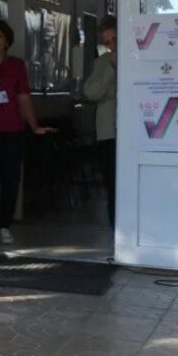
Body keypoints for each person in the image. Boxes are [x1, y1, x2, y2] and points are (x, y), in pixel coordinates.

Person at [0, 19, 54, 245]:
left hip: (12, 130)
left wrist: (34, 126)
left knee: (10, 180)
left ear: (7, 40)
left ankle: (4, 225)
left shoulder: (16, 65)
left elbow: (24, 98)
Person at [83, 18, 117, 227]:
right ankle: (116, 230)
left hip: (136, 132)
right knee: (112, 184)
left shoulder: (139, 58)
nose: (112, 46)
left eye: (115, 40)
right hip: (108, 132)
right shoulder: (102, 63)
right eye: (108, 42)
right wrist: (111, 69)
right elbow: (91, 92)